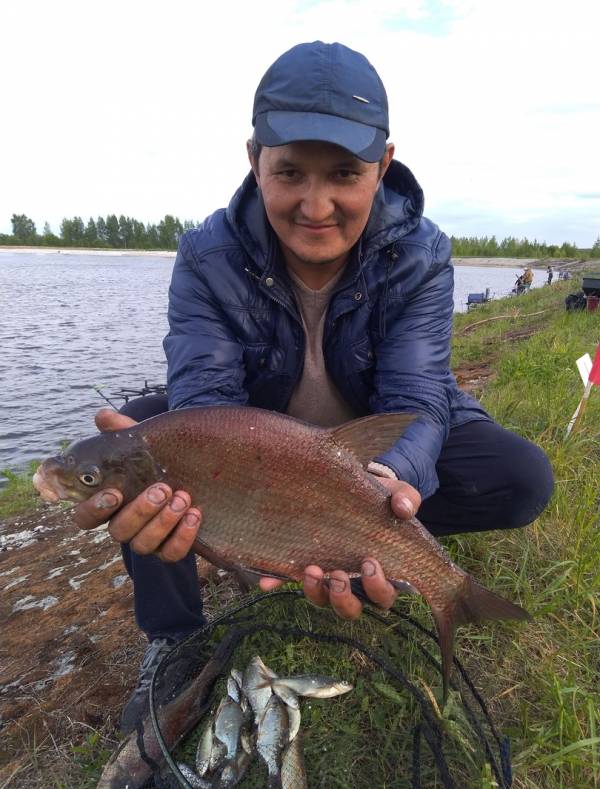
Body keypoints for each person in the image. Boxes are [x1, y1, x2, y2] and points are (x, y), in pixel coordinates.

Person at [71, 41, 554, 732]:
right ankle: (175, 635)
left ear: (382, 166)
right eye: (290, 171)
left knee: (521, 475)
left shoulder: (422, 252)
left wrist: (383, 484)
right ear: (254, 161)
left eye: (344, 175)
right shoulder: (207, 255)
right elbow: (207, 406)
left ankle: (353, 546)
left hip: (369, 432)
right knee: (135, 446)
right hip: (253, 432)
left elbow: (417, 396)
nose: (315, 203)